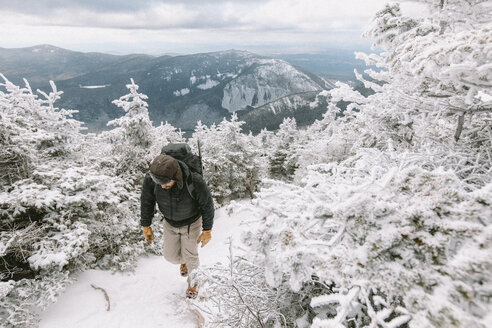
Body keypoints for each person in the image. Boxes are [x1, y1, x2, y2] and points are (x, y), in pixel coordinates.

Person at [140, 154, 214, 299]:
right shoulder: (152, 179)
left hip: (191, 222)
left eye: (166, 183)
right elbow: (147, 201)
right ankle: (183, 262)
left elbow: (207, 205)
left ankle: (193, 283)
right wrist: (146, 225)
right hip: (169, 222)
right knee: (170, 257)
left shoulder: (194, 180)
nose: (162, 186)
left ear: (176, 176)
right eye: (159, 183)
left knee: (191, 255)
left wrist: (207, 230)